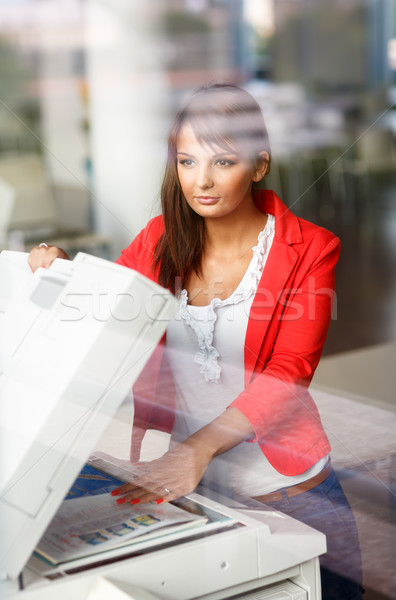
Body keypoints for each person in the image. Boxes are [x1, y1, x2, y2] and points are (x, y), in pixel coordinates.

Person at [29, 83, 363, 599]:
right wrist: (60, 271)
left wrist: (196, 449)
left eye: (222, 162)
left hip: (292, 491)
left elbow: (289, 371)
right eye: (187, 162)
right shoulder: (160, 240)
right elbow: (111, 300)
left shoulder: (311, 248)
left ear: (259, 165)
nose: (200, 182)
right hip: (202, 493)